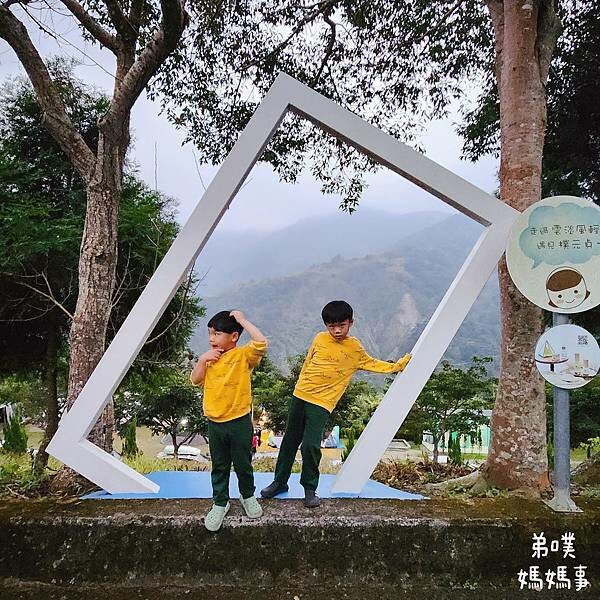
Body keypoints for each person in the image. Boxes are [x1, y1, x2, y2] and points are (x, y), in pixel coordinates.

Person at [261, 300, 411, 508]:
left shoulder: (354, 348)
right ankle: (279, 482)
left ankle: (309, 488)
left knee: (311, 445)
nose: (337, 330)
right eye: (332, 326)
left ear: (351, 322)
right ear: (326, 325)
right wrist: (299, 386)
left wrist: (397, 366)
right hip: (300, 395)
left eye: (342, 325)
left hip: (322, 402)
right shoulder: (319, 338)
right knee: (289, 441)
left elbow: (372, 363)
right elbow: (307, 363)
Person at [191, 310, 267, 531]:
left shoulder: (243, 356)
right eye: (210, 333)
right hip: (215, 423)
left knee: (243, 463)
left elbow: (261, 343)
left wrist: (242, 320)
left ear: (234, 336)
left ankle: (247, 496)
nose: (211, 338)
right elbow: (195, 380)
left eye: (217, 334)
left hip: (239, 421)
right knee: (219, 465)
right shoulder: (209, 358)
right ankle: (220, 502)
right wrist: (202, 360)